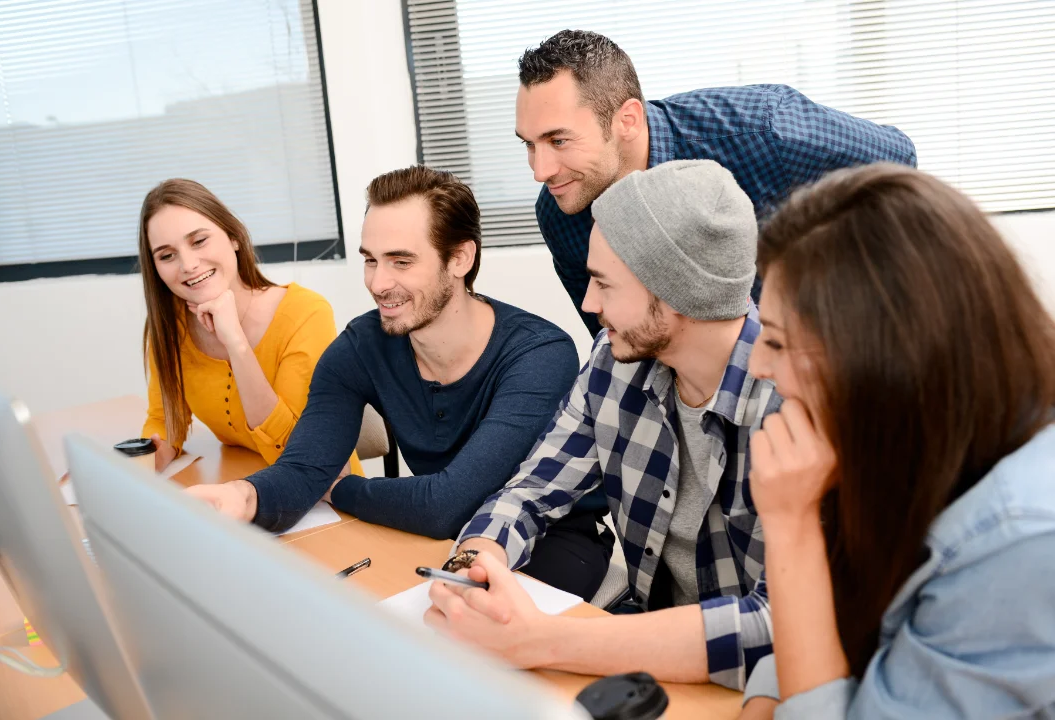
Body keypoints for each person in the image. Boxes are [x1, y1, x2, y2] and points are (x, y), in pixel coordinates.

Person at [428, 159, 783, 691]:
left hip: (753, 689)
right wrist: (476, 562)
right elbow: (532, 489)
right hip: (650, 661)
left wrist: (539, 640)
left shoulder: (794, 401)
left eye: (603, 283)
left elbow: (783, 627)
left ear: (676, 289)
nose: (589, 303)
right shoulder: (612, 363)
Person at [187, 166, 614, 601]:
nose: (377, 282)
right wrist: (240, 497)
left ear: (460, 260)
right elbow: (303, 468)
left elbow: (446, 505)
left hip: (553, 542)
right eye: (370, 259)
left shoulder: (538, 354)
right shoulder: (360, 346)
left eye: (401, 261)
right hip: (441, 545)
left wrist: (338, 488)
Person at [736, 164, 1055, 718]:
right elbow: (830, 624)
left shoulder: (1022, 539)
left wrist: (790, 528)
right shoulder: (912, 436)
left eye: (779, 343)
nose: (758, 364)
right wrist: (765, 700)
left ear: (882, 360)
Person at [516, 29, 918, 336]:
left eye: (559, 140)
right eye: (530, 145)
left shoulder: (764, 130)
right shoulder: (561, 210)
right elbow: (617, 341)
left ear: (627, 120)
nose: (541, 170)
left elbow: (898, 164)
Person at [139, 179, 361, 476]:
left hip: (326, 497)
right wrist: (143, 459)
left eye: (199, 241)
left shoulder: (305, 313)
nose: (188, 264)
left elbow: (301, 454)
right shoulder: (170, 327)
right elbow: (164, 421)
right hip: (244, 487)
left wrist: (237, 345)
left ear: (233, 237)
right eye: (167, 255)